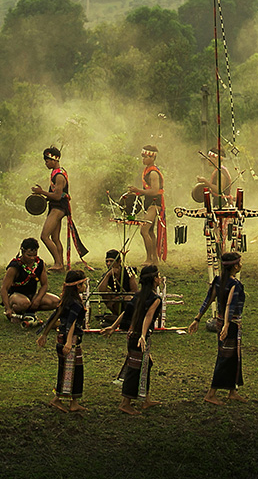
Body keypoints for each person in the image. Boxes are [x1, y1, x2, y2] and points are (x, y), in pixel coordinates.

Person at [189, 252, 246, 405]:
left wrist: (198, 318)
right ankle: (211, 393)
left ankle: (232, 391)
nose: (241, 265)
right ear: (235, 266)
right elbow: (230, 305)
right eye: (240, 263)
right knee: (225, 356)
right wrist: (227, 325)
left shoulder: (219, 280)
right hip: (229, 324)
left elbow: (209, 299)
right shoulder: (235, 284)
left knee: (233, 356)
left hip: (221, 322)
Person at [37, 269, 89, 412]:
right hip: (69, 340)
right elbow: (71, 323)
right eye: (83, 284)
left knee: (69, 370)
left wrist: (44, 334)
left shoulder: (66, 300)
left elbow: (55, 316)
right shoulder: (75, 304)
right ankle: (58, 399)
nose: (85, 286)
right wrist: (69, 342)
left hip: (62, 339)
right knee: (71, 371)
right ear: (77, 287)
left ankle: (73, 402)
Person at [116, 264, 163, 415]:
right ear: (155, 279)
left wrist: (113, 327)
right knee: (135, 367)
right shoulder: (155, 299)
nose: (160, 278)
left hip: (133, 336)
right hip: (140, 337)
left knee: (146, 363)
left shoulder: (138, 295)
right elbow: (148, 317)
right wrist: (143, 335)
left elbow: (126, 312)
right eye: (159, 276)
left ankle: (146, 399)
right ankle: (125, 403)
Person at [2, 237, 60, 321]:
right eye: (29, 255)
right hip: (16, 296)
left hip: (32, 296)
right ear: (23, 251)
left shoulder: (39, 263)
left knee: (56, 301)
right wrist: (7, 308)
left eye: (34, 255)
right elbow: (4, 288)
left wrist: (38, 299)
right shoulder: (15, 266)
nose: (32, 258)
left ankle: (29, 312)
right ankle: (15, 310)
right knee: (24, 303)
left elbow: (44, 285)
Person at [32, 147, 70, 271]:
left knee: (44, 236)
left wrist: (41, 191)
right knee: (55, 238)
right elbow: (54, 194)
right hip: (56, 207)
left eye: (47, 160)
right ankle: (59, 264)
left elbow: (58, 196)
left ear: (54, 160)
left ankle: (58, 263)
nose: (46, 163)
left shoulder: (59, 176)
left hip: (58, 208)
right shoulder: (56, 173)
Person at [128, 144, 166, 265]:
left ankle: (150, 258)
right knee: (149, 232)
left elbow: (155, 191)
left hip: (155, 203)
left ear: (152, 157)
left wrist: (139, 191)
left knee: (144, 230)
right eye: (143, 156)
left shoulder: (153, 173)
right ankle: (154, 259)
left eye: (145, 156)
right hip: (149, 202)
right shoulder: (147, 170)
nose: (143, 159)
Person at [96, 248, 138, 325]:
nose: (108, 264)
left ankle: (127, 317)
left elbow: (134, 291)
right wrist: (108, 275)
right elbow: (101, 291)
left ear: (119, 262)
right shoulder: (107, 275)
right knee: (106, 293)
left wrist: (120, 297)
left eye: (111, 261)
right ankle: (116, 316)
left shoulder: (128, 272)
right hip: (115, 301)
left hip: (127, 299)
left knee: (129, 298)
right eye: (107, 261)